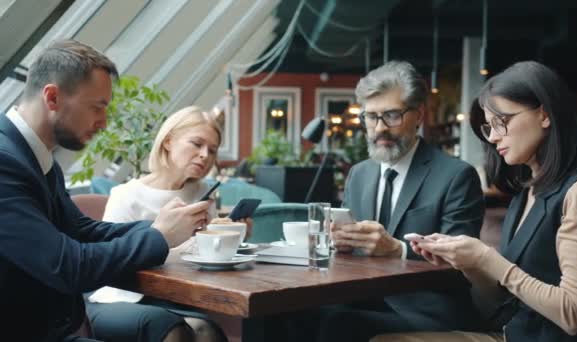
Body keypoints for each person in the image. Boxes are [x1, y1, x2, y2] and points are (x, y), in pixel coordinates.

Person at [373, 61, 577, 342]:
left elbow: (574, 315)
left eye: (502, 122)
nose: (494, 137)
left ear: (544, 114)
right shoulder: (526, 193)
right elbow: (501, 301)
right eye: (489, 127)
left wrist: (488, 258)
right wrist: (470, 263)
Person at [0, 39, 211, 341]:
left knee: (200, 332)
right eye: (97, 107)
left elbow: (81, 230)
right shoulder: (5, 162)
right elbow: (68, 266)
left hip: (51, 326)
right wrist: (159, 237)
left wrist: (162, 226)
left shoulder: (36, 158)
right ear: (52, 97)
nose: (103, 123)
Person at [286, 61, 485, 342]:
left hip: (425, 312)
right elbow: (352, 254)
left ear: (419, 115)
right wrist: (340, 243)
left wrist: (398, 249)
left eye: (392, 115)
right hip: (359, 297)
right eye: (371, 116)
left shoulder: (456, 176)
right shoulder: (359, 173)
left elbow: (463, 263)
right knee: (284, 316)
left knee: (338, 324)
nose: (380, 128)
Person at [86, 106, 250, 342]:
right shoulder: (126, 194)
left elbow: (211, 255)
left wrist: (234, 235)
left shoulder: (203, 192)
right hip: (124, 295)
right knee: (186, 331)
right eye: (196, 143)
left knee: (206, 331)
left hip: (181, 297)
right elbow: (111, 262)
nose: (205, 155)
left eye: (212, 150)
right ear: (168, 142)